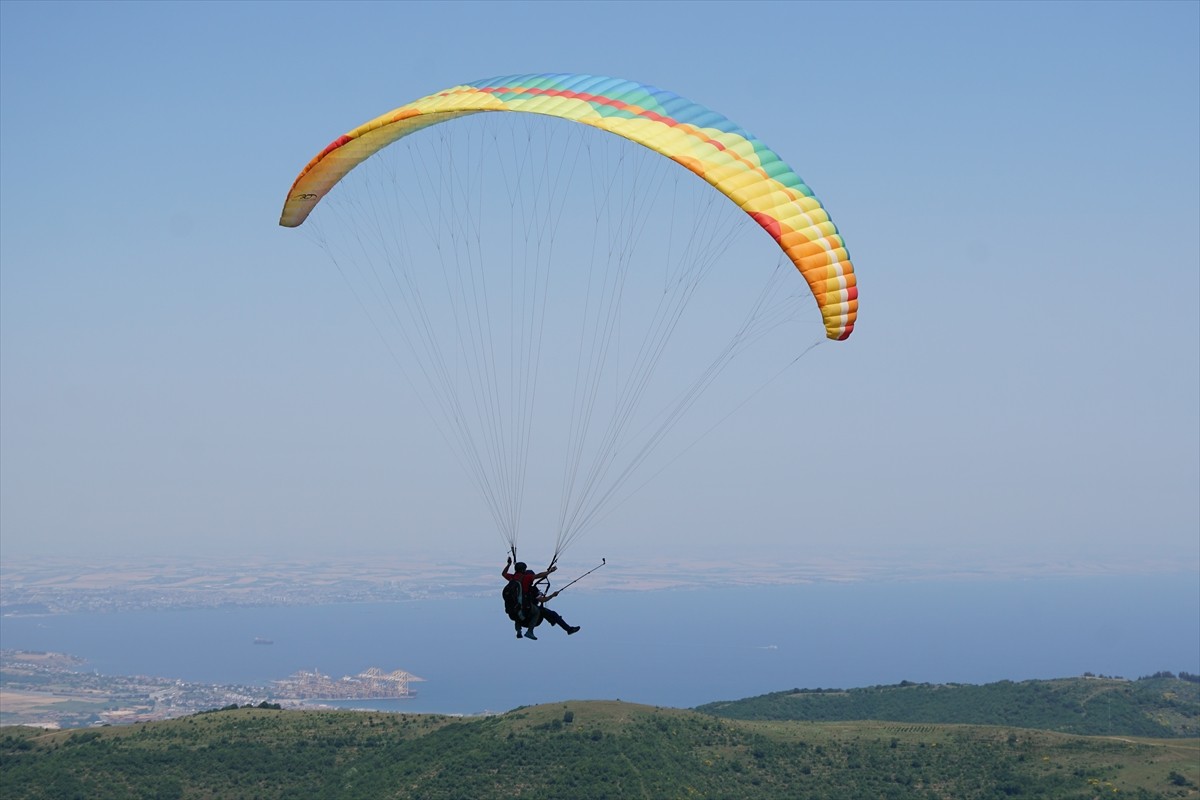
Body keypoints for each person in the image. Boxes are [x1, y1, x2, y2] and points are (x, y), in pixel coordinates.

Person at [502, 557, 580, 639]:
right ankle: (530, 631)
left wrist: (508, 564)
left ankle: (518, 631)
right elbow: (539, 577)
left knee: (520, 609)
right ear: (523, 570)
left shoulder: (513, 578)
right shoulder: (528, 580)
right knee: (539, 612)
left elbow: (503, 574)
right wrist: (552, 593)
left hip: (515, 614)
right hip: (527, 615)